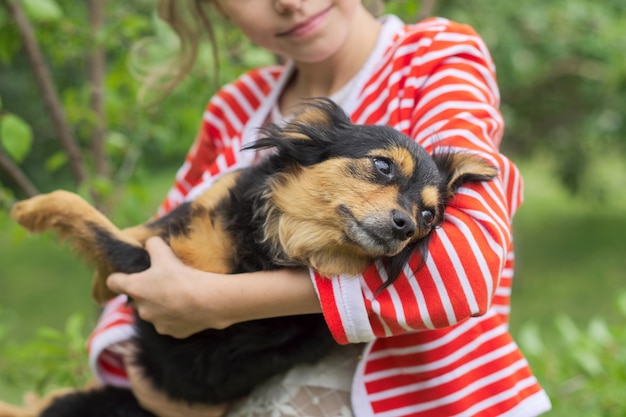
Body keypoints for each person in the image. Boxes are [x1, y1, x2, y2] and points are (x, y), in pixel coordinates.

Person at [88, 1, 553, 416]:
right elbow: (155, 240)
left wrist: (215, 303)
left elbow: (465, 269)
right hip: (226, 378)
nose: (290, 3)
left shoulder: (435, 60)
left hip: (424, 395)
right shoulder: (236, 107)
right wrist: (140, 370)